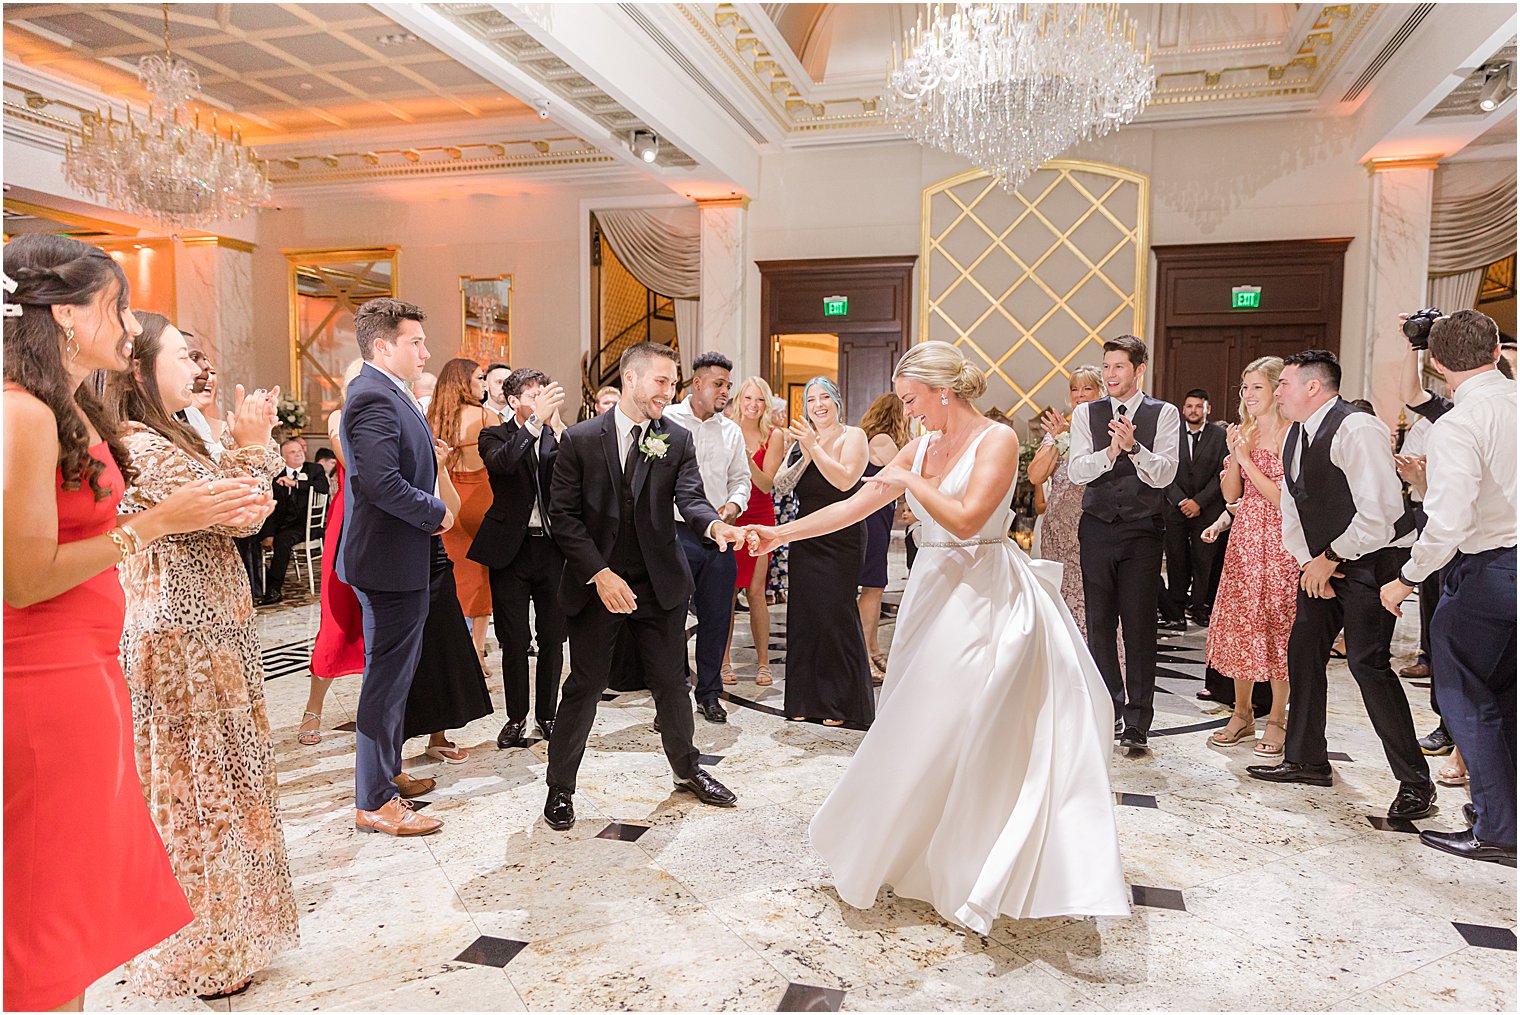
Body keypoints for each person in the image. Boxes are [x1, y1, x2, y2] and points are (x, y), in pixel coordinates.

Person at [743, 341, 1128, 934]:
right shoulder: (918, 444)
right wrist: (780, 533)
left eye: (913, 399)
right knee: (919, 720)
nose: (910, 411)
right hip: (931, 587)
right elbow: (858, 501)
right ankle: (914, 848)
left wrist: (911, 483)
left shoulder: (995, 440)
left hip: (982, 590)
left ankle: (977, 860)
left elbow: (969, 518)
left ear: (942, 391)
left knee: (961, 718)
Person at [2, 234, 264, 1013]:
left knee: (72, 893)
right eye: (114, 306)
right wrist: (158, 524)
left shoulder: (64, 407)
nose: (127, 325)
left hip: (86, 663)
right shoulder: (21, 415)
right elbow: (22, 579)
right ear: (65, 313)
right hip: (41, 676)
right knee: (47, 900)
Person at [108, 312, 298, 1000]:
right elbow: (243, 512)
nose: (198, 367)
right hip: (180, 640)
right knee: (195, 793)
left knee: (224, 784)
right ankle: (195, 948)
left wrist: (249, 448)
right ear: (138, 371)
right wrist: (255, 444)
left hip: (216, 632)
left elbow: (241, 509)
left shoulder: (173, 434)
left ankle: (227, 932)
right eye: (182, 356)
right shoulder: (137, 443)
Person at [542, 342, 744, 831]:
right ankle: (560, 787)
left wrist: (716, 528)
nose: (668, 392)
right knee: (586, 685)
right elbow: (562, 518)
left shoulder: (675, 439)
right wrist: (600, 573)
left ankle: (686, 770)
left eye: (672, 384)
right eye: (661, 382)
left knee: (673, 682)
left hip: (659, 582)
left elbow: (691, 499)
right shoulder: (581, 440)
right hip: (598, 583)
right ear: (630, 379)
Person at [1246, 350, 1435, 823]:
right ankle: (1307, 759)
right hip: (1323, 563)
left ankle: (1416, 783)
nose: (1279, 391)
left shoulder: (1356, 428)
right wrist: (1312, 564)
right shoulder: (1295, 436)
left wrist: (1330, 560)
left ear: (1313, 387)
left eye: (1285, 383)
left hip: (1372, 563)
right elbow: (1294, 510)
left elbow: (1381, 512)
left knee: (1367, 664)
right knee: (1303, 649)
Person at [1379, 311, 1515, 863]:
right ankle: (1502, 810)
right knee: (1505, 695)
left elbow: (1451, 520)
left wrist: (1406, 577)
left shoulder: (1462, 421)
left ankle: (1498, 829)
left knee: (1461, 695)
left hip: (1491, 572)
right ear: (1495, 351)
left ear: (1436, 363)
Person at [340, 297, 451, 837]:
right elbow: (379, 484)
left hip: (400, 555)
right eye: (416, 342)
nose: (426, 352)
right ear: (383, 346)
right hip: (387, 560)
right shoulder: (372, 398)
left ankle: (386, 773)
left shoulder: (387, 391)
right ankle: (373, 800)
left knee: (398, 675)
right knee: (384, 681)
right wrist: (436, 512)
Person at [1067, 335, 1180, 753]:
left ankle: (1137, 720)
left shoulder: (1163, 414)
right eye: (1106, 366)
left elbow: (1165, 474)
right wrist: (1110, 453)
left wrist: (1133, 449)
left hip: (1142, 530)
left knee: (1138, 627)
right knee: (1100, 626)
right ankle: (1108, 705)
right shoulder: (1086, 414)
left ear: (1138, 370)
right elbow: (1078, 471)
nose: (1110, 375)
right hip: (1096, 526)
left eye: (1118, 367)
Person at [1200, 358, 1297, 756]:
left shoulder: (1292, 434)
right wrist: (1234, 455)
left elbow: (1283, 499)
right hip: (1244, 540)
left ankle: (1277, 718)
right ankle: (1241, 714)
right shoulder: (1246, 432)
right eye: (1244, 388)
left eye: (1256, 387)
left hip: (1280, 542)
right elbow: (1230, 495)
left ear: (1277, 389)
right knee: (1243, 626)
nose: (1248, 395)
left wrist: (1244, 460)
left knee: (1277, 629)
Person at [470, 367, 569, 749]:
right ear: (513, 401)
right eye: (533, 394)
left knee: (552, 638)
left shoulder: (559, 435)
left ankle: (548, 715)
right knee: (513, 639)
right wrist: (533, 426)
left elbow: (572, 477)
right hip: (510, 549)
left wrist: (557, 431)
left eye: (546, 393)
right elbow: (504, 464)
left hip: (552, 548)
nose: (542, 400)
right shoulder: (493, 434)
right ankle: (515, 718)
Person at [772, 377, 874, 727]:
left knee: (835, 614)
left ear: (837, 401)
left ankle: (840, 704)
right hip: (806, 535)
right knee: (804, 615)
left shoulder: (853, 436)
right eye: (810, 399)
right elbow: (780, 484)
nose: (818, 405)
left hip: (842, 536)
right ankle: (802, 699)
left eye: (824, 398)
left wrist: (815, 447)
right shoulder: (802, 442)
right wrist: (793, 449)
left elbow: (845, 481)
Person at [663, 351, 751, 724]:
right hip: (675, 532)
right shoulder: (665, 421)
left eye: (728, 386)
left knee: (717, 615)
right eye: (718, 384)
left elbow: (741, 480)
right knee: (671, 620)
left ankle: (710, 692)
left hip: (719, 534)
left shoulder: (730, 430)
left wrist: (732, 507)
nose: (725, 392)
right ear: (696, 383)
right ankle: (672, 697)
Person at [304, 358, 367, 746]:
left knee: (378, 624)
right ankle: (313, 708)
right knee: (337, 616)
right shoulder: (340, 417)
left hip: (383, 520)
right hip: (349, 520)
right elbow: (354, 465)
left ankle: (376, 710)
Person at [1027, 365, 1107, 647]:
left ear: (1101, 392)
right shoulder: (1062, 433)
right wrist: (1056, 439)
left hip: (1092, 528)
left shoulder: (1107, 430)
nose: (1080, 395)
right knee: (1058, 593)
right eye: (1075, 389)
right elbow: (1035, 475)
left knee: (1092, 597)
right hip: (1057, 529)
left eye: (1088, 389)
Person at [426, 357, 495, 663]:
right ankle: (477, 651)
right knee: (483, 574)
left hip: (447, 497)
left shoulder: (432, 418)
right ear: (464, 382)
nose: (484, 384)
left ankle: (453, 649)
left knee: (456, 574)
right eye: (480, 378)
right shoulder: (484, 417)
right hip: (481, 495)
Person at [723, 375, 785, 686]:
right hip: (731, 516)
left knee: (756, 592)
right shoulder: (725, 429)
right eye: (748, 398)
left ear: (766, 404)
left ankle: (763, 664)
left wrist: (745, 457)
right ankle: (723, 662)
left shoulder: (774, 436)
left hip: (761, 516)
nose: (753, 405)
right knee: (727, 592)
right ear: (739, 401)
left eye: (759, 399)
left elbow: (764, 484)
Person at [1159, 388, 1227, 630]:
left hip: (1207, 510)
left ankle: (1199, 607)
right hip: (1174, 508)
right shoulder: (1169, 434)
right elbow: (1162, 470)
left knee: (1203, 560)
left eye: (1199, 406)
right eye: (1189, 406)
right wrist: (1180, 500)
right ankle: (1175, 610)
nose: (1193, 410)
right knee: (1176, 559)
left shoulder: (1220, 436)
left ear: (1207, 409)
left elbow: (1223, 473)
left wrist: (1199, 502)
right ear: (1183, 408)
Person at [857, 392, 908, 682]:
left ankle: (873, 648)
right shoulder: (883, 440)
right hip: (873, 519)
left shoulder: (874, 437)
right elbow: (907, 474)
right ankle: (864, 655)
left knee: (875, 586)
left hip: (878, 516)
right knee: (873, 585)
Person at [256, 434, 329, 605]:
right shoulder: (275, 475)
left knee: (283, 540)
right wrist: (268, 533)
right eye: (292, 452)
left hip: (307, 525)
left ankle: (274, 589)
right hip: (283, 525)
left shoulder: (314, 470)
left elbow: (323, 488)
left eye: (300, 450)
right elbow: (272, 508)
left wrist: (295, 484)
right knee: (255, 538)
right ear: (283, 457)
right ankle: (256, 584)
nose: (298, 454)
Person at [767, 395, 799, 604]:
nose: (783, 416)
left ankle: (780, 586)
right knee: (772, 540)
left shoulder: (787, 434)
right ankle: (769, 588)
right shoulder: (769, 435)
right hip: (773, 492)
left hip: (786, 493)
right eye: (780, 412)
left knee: (784, 542)